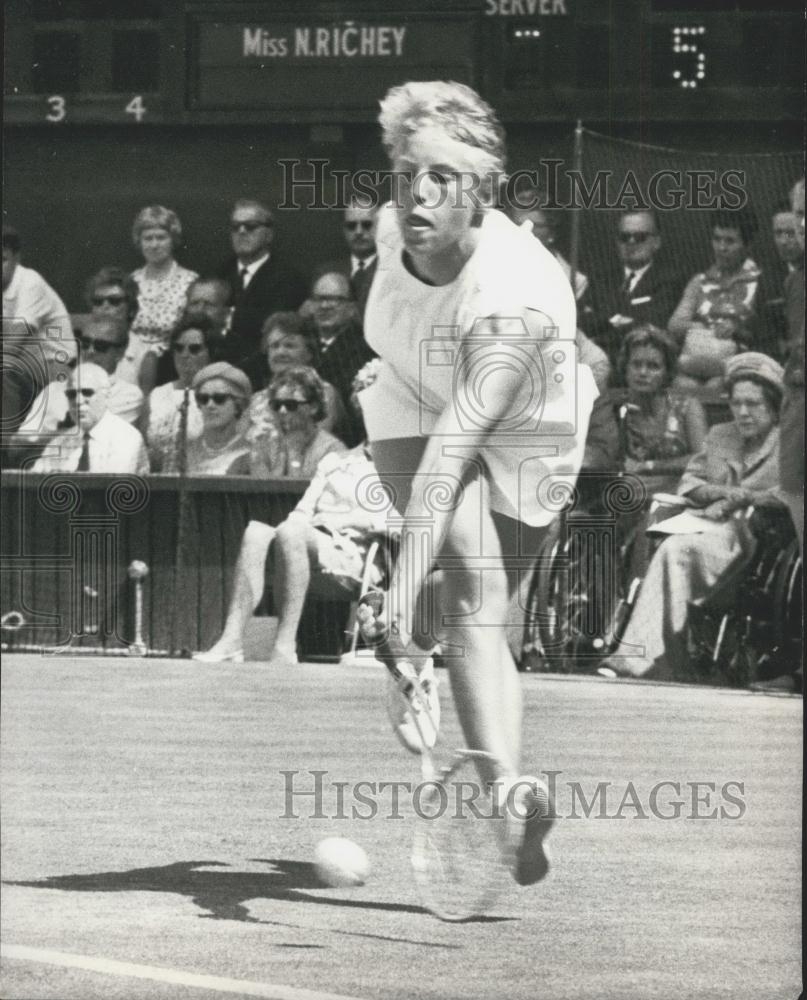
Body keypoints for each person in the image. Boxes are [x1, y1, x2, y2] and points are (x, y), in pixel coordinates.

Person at [355, 80, 596, 886]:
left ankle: (412, 645)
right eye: (406, 174)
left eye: (443, 180)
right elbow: (433, 464)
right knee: (466, 584)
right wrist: (403, 578)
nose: (418, 196)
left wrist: (394, 595)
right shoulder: (394, 227)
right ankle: (510, 797)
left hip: (527, 421)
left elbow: (456, 448)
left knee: (481, 608)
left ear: (485, 192)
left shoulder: (515, 297)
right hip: (409, 388)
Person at [599, 352, 785, 680]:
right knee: (662, 540)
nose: (742, 412)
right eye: (736, 403)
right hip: (705, 528)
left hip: (755, 541)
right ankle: (649, 654)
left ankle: (641, 657)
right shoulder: (720, 436)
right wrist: (722, 494)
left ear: (773, 405)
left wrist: (745, 499)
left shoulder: (789, 444)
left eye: (753, 404)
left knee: (676, 550)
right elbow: (690, 482)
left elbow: (789, 495)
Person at [193, 440, 385, 667]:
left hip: (358, 553)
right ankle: (230, 642)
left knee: (292, 534)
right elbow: (303, 511)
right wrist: (289, 528)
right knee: (256, 532)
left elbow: (396, 524)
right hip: (315, 537)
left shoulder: (402, 463)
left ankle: (284, 648)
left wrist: (337, 522)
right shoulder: (335, 460)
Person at [12, 316, 143, 450]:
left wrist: (40, 440)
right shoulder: (53, 390)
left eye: (101, 346)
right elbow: (20, 442)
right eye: (85, 344)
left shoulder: (129, 395)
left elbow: (93, 437)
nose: (90, 351)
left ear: (120, 353)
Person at [668, 208, 761, 392]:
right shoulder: (699, 281)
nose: (721, 247)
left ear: (747, 244)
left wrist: (737, 330)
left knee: (716, 385)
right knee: (682, 384)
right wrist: (700, 327)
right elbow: (674, 326)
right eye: (717, 239)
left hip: (740, 364)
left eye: (730, 241)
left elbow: (764, 331)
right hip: (696, 361)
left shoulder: (760, 282)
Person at [218, 199, 308, 383]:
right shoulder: (219, 274)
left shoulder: (288, 279)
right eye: (236, 226)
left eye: (250, 226)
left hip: (262, 375)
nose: (241, 232)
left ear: (269, 234)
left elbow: (270, 334)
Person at [581, 210, 685, 365]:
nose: (631, 242)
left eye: (640, 237)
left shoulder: (669, 281)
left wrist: (604, 322)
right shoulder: (601, 279)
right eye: (624, 237)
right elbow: (582, 320)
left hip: (639, 364)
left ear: (656, 242)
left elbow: (651, 326)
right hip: (594, 360)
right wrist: (617, 320)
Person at [613, 325, 708, 491]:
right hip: (629, 497)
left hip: (680, 495)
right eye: (636, 364)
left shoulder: (687, 406)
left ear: (667, 372)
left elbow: (703, 460)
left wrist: (649, 466)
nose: (642, 372)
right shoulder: (616, 409)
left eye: (653, 366)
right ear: (625, 368)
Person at [31, 363, 149, 474]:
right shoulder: (59, 443)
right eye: (71, 394)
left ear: (107, 396)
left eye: (87, 393)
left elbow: (112, 489)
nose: (78, 401)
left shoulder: (126, 438)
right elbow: (34, 485)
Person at [246, 312, 347, 442]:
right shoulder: (257, 399)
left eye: (289, 346)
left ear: (309, 352)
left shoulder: (323, 393)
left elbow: (315, 443)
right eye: (274, 346)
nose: (280, 352)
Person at [128, 206, 198, 392]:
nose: (154, 244)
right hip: (130, 363)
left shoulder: (189, 281)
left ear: (172, 240)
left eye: (161, 237)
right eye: (148, 238)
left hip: (170, 365)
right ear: (139, 242)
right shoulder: (131, 281)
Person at [143, 315, 220, 472]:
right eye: (179, 348)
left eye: (194, 349)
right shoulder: (157, 395)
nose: (185, 355)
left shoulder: (220, 396)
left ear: (210, 352)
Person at [306, 270, 376, 441]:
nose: (325, 306)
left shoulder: (365, 349)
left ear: (351, 308)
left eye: (334, 299)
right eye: (319, 299)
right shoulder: (299, 338)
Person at [249, 365, 346, 478]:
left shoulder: (333, 450)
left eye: (291, 405)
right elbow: (261, 490)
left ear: (313, 407)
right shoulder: (266, 444)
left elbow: (300, 492)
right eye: (276, 405)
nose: (282, 411)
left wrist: (294, 453)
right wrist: (257, 456)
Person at [2, 225, 73, 347]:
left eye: (2, 259)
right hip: (28, 360)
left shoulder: (30, 282)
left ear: (16, 258)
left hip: (60, 362)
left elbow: (13, 346)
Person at [184, 362, 253, 475]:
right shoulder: (184, 452)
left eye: (219, 398)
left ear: (238, 405)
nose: (210, 405)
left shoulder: (250, 453)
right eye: (204, 399)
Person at [756, 202, 803, 361]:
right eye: (778, 233)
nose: (783, 241)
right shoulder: (767, 279)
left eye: (791, 233)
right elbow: (764, 334)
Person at [343, 197, 379, 318]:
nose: (358, 231)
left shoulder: (393, 272)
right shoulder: (326, 272)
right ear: (344, 231)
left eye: (367, 225)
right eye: (351, 226)